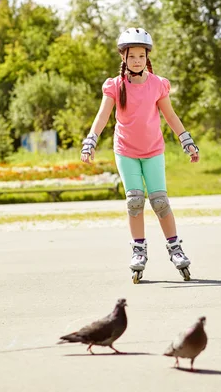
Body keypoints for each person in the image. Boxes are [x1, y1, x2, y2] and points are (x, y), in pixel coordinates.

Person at [80, 27, 199, 283]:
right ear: (123, 57)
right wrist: (90, 141)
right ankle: (138, 250)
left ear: (147, 58)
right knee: (135, 201)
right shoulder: (115, 85)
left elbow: (170, 116)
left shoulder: (157, 84)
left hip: (153, 151)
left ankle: (175, 248)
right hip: (126, 151)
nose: (137, 60)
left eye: (141, 56)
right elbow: (102, 117)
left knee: (160, 201)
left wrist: (186, 140)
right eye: (132, 55)